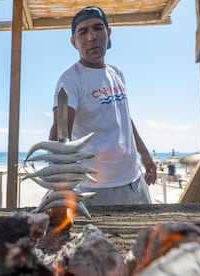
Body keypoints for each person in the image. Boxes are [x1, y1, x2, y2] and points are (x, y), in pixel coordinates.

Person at [49, 6, 157, 206]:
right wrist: (59, 188)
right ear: (74, 42)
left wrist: (145, 155)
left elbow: (124, 119)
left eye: (97, 28)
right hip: (95, 190)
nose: (92, 37)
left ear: (108, 33)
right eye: (83, 31)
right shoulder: (70, 81)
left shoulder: (116, 73)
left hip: (134, 182)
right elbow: (59, 136)